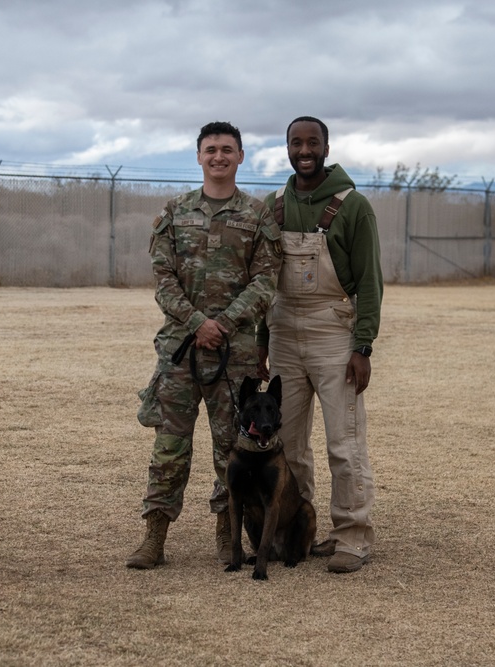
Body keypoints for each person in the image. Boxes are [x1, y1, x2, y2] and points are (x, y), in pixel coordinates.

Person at [128, 121, 281, 569]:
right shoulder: (174, 213)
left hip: (235, 356)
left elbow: (266, 280)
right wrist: (198, 323)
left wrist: (225, 323)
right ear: (198, 157)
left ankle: (225, 532)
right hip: (181, 350)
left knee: (228, 446)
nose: (219, 156)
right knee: (169, 447)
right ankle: (154, 535)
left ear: (240, 156)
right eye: (211, 149)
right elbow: (163, 280)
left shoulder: (257, 216)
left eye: (227, 149)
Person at [257, 116, 383, 574]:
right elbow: (263, 281)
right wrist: (261, 341)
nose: (304, 149)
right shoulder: (272, 205)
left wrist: (362, 346)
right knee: (286, 443)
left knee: (343, 441)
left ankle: (352, 535)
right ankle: (297, 529)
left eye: (313, 142)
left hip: (334, 333)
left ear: (327, 147)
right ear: (286, 148)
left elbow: (370, 283)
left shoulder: (354, 206)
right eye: (296, 142)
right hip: (283, 330)